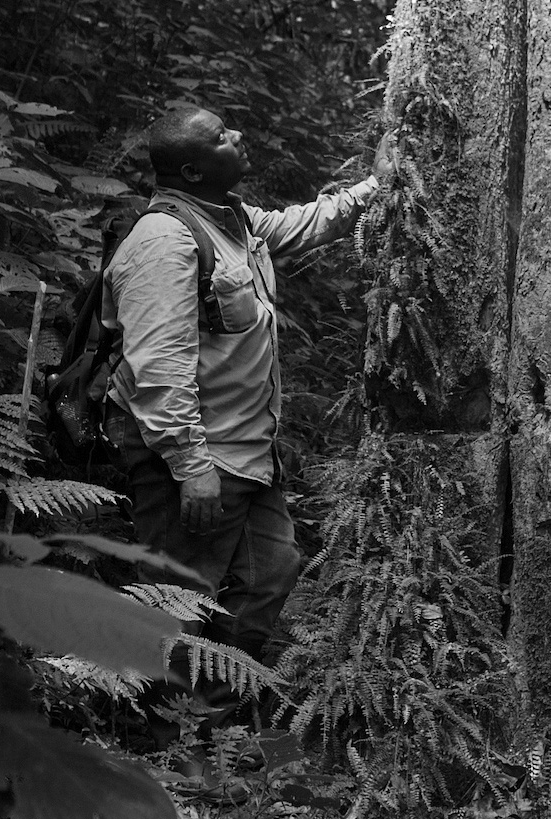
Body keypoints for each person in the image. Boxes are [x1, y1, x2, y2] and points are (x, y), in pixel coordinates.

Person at [101, 104, 389, 707]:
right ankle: (158, 735)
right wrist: (190, 464)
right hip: (196, 459)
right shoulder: (163, 241)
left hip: (248, 454)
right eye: (221, 137)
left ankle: (211, 714)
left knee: (270, 575)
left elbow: (304, 224)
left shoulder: (230, 221)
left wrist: (379, 185)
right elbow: (158, 367)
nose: (239, 137)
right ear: (192, 168)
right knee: (177, 597)